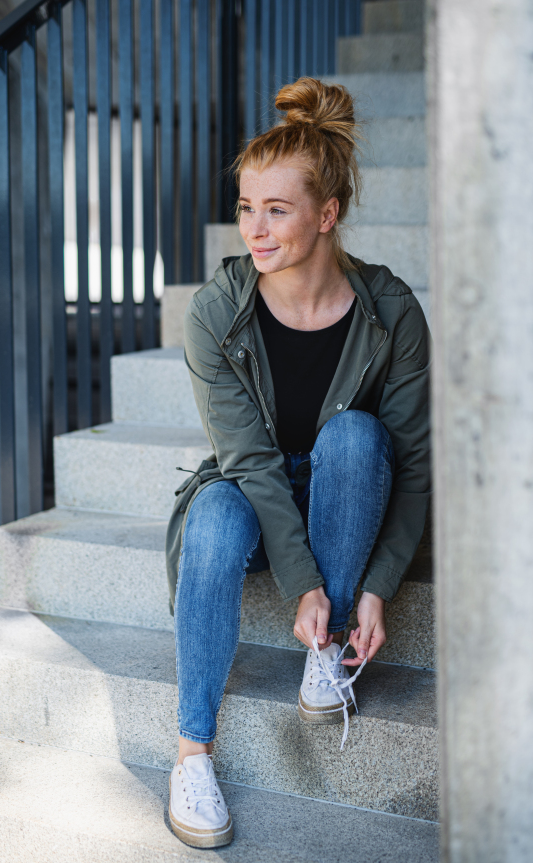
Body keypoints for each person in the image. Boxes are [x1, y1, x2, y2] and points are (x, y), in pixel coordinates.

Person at [165, 77, 431, 849]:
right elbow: (249, 462)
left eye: (277, 209)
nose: (256, 228)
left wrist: (375, 586)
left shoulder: (391, 313)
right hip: (258, 488)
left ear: (328, 214)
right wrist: (300, 581)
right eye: (247, 207)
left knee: (353, 435)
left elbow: (410, 467)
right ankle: (191, 753)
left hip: (349, 488)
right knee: (212, 518)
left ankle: (330, 643)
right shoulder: (217, 310)